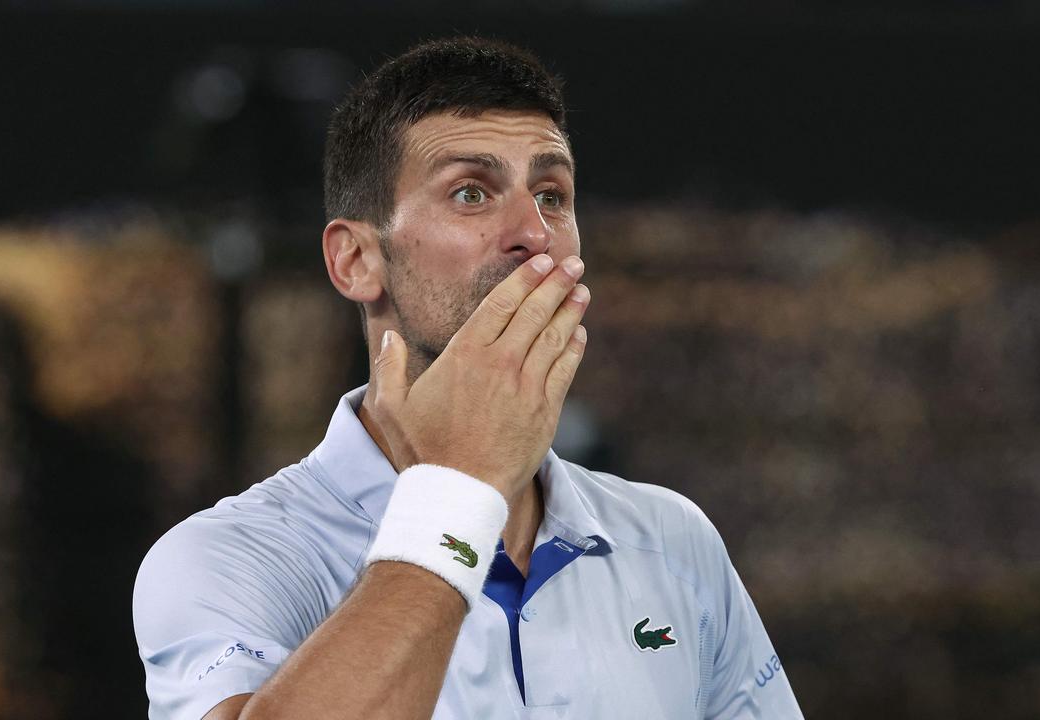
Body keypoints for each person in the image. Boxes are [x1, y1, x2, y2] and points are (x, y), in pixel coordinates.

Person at [133, 36, 803, 720]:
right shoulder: (225, 558)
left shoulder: (672, 541)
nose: (534, 234)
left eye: (552, 194)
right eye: (472, 192)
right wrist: (460, 491)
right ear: (357, 260)